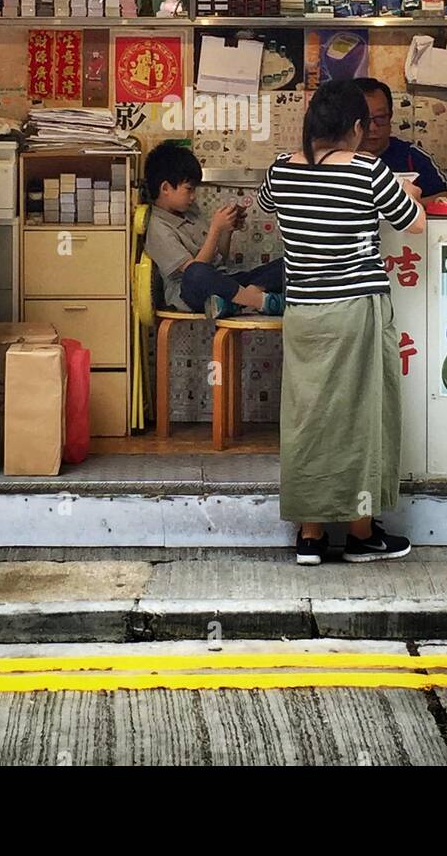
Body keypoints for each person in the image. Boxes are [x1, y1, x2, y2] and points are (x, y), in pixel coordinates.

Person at [257, 79, 427, 565]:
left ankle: (310, 535)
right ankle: (359, 532)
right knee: (358, 418)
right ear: (356, 127)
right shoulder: (370, 172)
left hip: (304, 313)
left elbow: (269, 204)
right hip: (355, 310)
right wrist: (403, 189)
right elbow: (414, 222)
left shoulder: (281, 172)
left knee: (308, 417)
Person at [144, 141, 285, 318]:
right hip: (190, 294)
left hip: (223, 284)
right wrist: (215, 230)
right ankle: (258, 301)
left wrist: (227, 230)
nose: (193, 196)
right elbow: (196, 271)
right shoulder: (158, 228)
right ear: (165, 188)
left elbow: (220, 260)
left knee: (287, 265)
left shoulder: (190, 211)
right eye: (189, 189)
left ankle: (235, 302)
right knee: (195, 273)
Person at [355, 77, 447, 199]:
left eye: (380, 117)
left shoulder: (413, 156)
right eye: (364, 119)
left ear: (390, 117)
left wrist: (408, 206)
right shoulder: (334, 159)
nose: (372, 127)